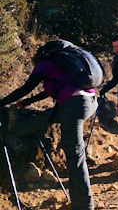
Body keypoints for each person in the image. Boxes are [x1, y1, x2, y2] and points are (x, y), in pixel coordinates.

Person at [0, 43, 98, 210]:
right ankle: (20, 127)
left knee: (75, 155)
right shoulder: (61, 66)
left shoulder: (43, 65)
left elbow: (25, 88)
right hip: (89, 102)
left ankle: (84, 205)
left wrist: (2, 102)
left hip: (73, 105)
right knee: (49, 116)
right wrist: (29, 102)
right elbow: (51, 90)